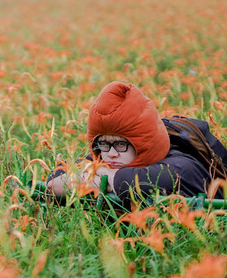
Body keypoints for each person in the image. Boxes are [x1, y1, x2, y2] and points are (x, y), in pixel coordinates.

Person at [46, 81, 215, 204]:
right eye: (104, 143)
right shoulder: (106, 154)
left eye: (121, 144)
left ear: (142, 143)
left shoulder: (182, 164)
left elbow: (149, 180)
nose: (111, 153)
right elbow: (54, 182)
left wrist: (98, 177)